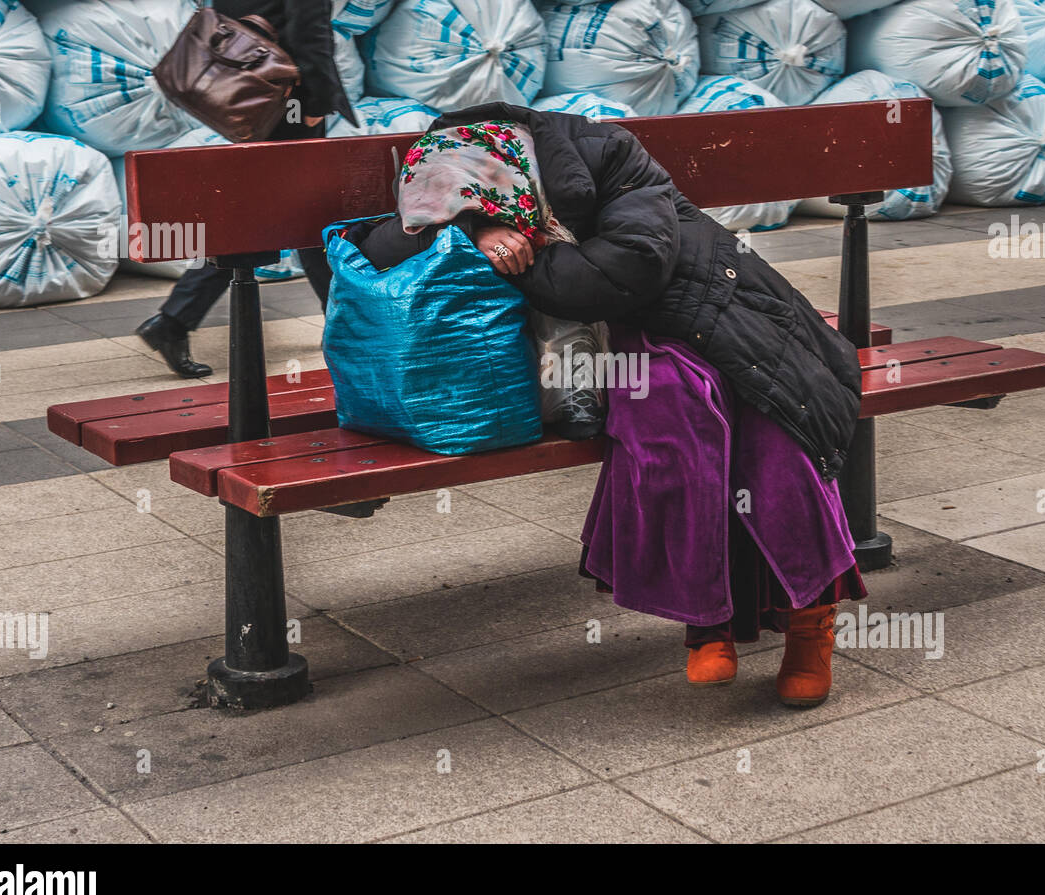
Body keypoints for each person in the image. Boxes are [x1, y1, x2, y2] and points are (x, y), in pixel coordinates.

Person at [348, 104, 868, 708]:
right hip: (628, 339)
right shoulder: (446, 164)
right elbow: (385, 244)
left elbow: (630, 267)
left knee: (774, 425)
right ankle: (709, 620)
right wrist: (473, 233)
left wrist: (530, 258)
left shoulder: (610, 153)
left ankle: (811, 625)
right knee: (673, 414)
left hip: (728, 307)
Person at [136, 0, 357, 377]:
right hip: (287, 95)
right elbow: (308, 22)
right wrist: (317, 99)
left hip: (245, 96)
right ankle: (350, 334)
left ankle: (175, 320)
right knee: (313, 217)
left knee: (273, 214)